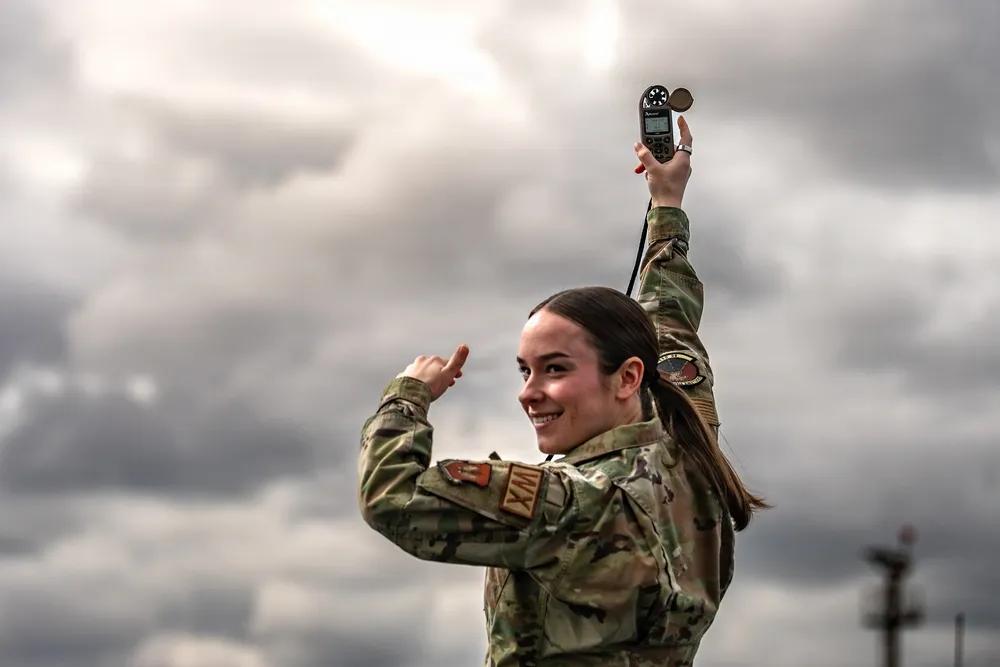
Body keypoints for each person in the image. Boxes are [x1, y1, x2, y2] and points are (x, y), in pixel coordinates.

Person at [358, 117, 767, 666]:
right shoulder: (688, 448)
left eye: (554, 369)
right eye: (524, 371)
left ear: (626, 378)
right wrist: (666, 202)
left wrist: (408, 397)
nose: (530, 394)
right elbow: (669, 318)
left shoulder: (574, 503)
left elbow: (392, 498)